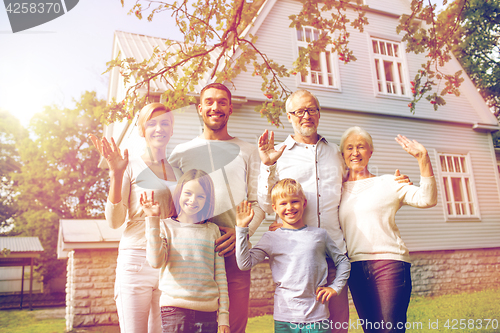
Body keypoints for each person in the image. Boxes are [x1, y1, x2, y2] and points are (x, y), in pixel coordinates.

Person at [257, 89, 411, 333]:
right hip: (298, 258)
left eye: (311, 110)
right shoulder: (277, 155)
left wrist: (393, 182)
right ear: (289, 116)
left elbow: (359, 182)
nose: (306, 116)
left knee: (338, 327)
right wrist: (268, 166)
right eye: (299, 111)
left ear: (319, 113)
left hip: (335, 254)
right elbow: (266, 204)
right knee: (300, 324)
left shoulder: (336, 153)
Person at [169, 83, 264, 332]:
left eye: (222, 102)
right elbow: (174, 205)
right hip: (192, 253)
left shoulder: (248, 151)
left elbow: (260, 202)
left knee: (233, 327)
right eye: (209, 101)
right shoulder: (181, 153)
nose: (216, 107)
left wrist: (243, 232)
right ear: (200, 108)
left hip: (232, 250)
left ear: (230, 108)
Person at [338, 127, 437, 333]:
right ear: (343, 154)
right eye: (349, 148)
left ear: (370, 152)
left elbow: (427, 199)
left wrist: (423, 159)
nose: (355, 152)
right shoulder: (336, 191)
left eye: (361, 147)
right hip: (355, 268)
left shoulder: (389, 182)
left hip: (389, 264)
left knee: (390, 329)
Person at [89, 103, 177, 333]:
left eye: (165, 122)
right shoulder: (130, 166)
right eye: (152, 123)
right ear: (141, 130)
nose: (159, 128)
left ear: (171, 129)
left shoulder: (177, 169)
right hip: (136, 260)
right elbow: (115, 222)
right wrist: (115, 175)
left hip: (169, 260)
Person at [235, 178, 350, 333]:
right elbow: (244, 264)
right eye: (283, 203)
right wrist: (242, 229)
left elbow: (343, 261)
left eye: (294, 201)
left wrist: (335, 288)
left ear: (304, 203)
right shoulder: (271, 238)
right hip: (285, 319)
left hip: (318, 318)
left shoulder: (319, 235)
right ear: (275, 208)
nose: (289, 207)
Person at [141, 169, 230, 333]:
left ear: (207, 199)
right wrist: (152, 220)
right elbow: (155, 262)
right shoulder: (165, 226)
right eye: (188, 193)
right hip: (174, 312)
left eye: (200, 196)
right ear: (179, 193)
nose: (193, 200)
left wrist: (224, 316)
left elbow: (221, 277)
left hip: (208, 314)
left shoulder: (213, 231)